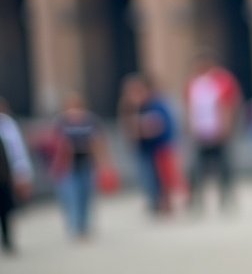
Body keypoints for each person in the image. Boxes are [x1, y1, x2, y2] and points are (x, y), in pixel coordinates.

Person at [118, 72, 183, 215]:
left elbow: (157, 127)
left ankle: (165, 203)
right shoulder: (130, 107)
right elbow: (129, 130)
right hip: (143, 149)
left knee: (163, 178)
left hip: (160, 148)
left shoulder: (156, 105)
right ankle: (155, 202)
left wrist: (140, 127)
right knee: (147, 178)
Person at [184, 52, 242, 212]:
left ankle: (226, 199)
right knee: (195, 170)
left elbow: (230, 105)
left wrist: (227, 128)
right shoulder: (193, 83)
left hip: (219, 132)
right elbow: (189, 107)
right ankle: (196, 201)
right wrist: (189, 128)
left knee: (224, 168)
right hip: (199, 133)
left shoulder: (223, 80)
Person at [49, 91, 111, 240]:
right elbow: (53, 144)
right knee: (71, 195)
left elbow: (99, 141)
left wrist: (104, 162)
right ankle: (75, 226)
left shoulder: (90, 120)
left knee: (85, 194)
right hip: (68, 165)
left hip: (86, 161)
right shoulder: (61, 121)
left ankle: (84, 225)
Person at [0, 97, 32, 254]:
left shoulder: (7, 124)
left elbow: (17, 151)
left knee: (6, 210)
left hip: (4, 175)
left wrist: (22, 173)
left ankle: (7, 240)